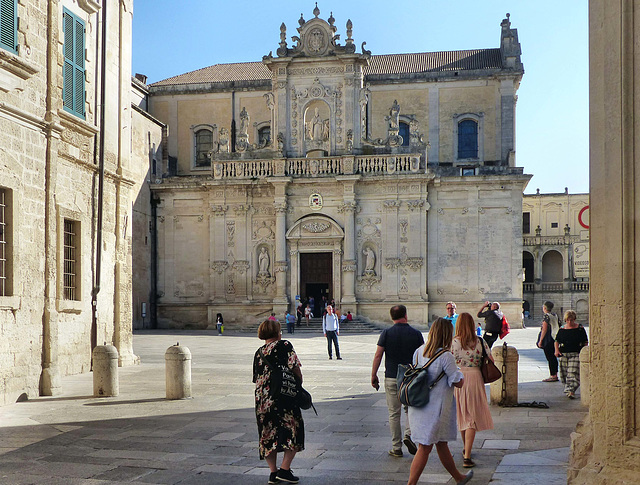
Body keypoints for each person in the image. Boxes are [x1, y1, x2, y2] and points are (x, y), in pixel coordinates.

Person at [406, 317, 473, 485]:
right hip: (435, 408)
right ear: (446, 335)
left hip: (418, 404)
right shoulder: (445, 356)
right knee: (425, 447)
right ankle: (410, 484)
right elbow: (458, 382)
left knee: (441, 443)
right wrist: (460, 370)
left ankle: (459, 477)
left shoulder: (419, 351)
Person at [253, 319, 304, 484]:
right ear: (277, 332)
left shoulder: (258, 352)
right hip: (283, 398)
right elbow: (295, 368)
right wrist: (298, 384)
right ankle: (285, 469)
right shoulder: (284, 345)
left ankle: (273, 473)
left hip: (262, 400)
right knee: (294, 430)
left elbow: (257, 379)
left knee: (267, 435)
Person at [371, 305, 424, 457]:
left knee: (394, 413)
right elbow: (422, 356)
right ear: (406, 315)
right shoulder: (416, 333)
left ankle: (396, 447)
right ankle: (409, 434)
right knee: (410, 410)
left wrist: (373, 374)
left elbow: (378, 355)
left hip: (392, 376)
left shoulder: (386, 333)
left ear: (391, 317)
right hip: (410, 377)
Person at [451, 313, 494, 468]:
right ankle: (467, 455)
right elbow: (491, 360)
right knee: (471, 417)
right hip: (475, 377)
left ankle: (466, 449)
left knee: (463, 414)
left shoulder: (454, 342)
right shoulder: (480, 341)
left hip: (458, 377)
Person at [554, 310, 588, 399]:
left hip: (576, 353)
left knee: (573, 372)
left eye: (571, 320)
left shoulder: (580, 329)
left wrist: (583, 352)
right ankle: (568, 388)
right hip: (564, 354)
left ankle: (571, 390)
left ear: (574, 319)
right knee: (564, 373)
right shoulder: (562, 329)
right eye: (568, 320)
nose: (570, 322)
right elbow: (556, 341)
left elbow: (585, 341)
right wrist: (556, 351)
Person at [537, 300, 560, 382]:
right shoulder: (555, 315)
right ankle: (555, 374)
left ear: (545, 308)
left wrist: (540, 340)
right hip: (554, 337)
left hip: (548, 338)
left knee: (549, 357)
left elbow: (544, 329)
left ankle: (553, 375)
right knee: (553, 357)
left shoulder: (546, 316)